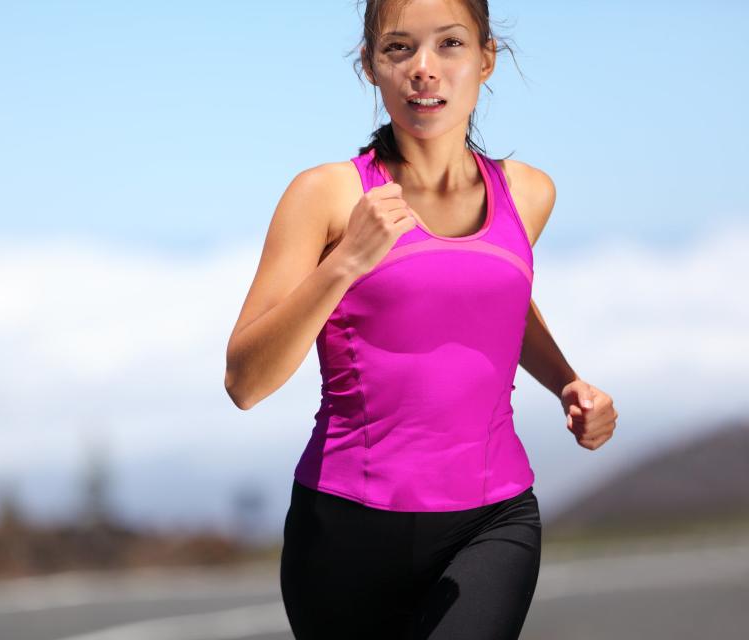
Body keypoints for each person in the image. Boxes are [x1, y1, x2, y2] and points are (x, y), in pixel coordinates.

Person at [224, 0, 619, 637]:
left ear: (487, 59)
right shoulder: (326, 195)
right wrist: (345, 262)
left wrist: (570, 382)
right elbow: (245, 381)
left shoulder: (528, 193)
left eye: (450, 45)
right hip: (344, 530)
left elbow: (493, 301)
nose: (424, 69)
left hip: (493, 520)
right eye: (399, 49)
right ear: (371, 67)